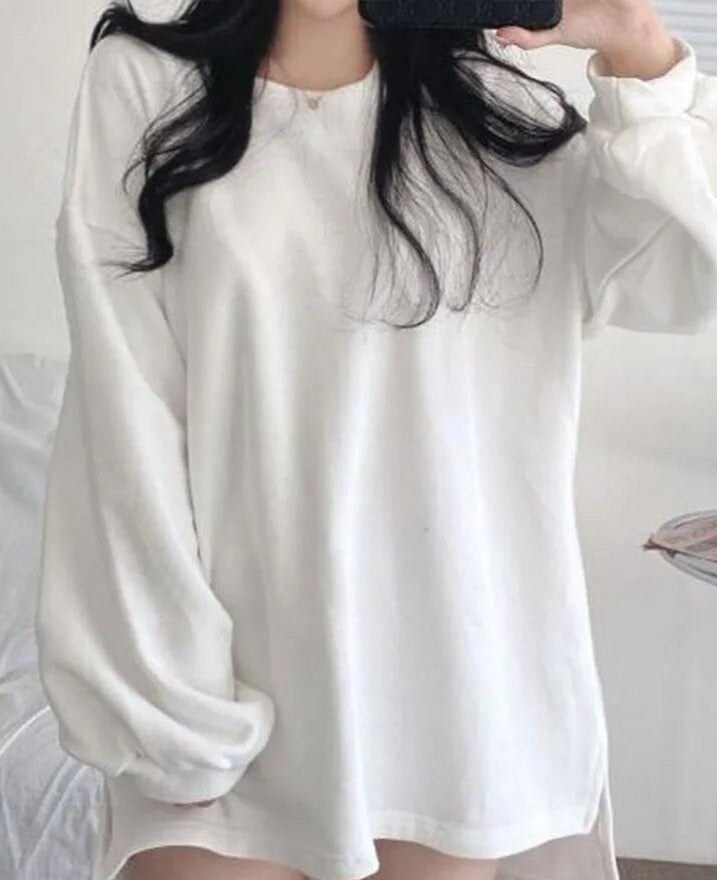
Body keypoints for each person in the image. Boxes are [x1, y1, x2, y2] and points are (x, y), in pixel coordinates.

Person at [35, 1, 717, 879]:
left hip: (452, 694)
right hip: (223, 680)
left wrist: (636, 44)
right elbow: (124, 419)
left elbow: (685, 274)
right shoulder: (146, 85)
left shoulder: (505, 122)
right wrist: (169, 699)